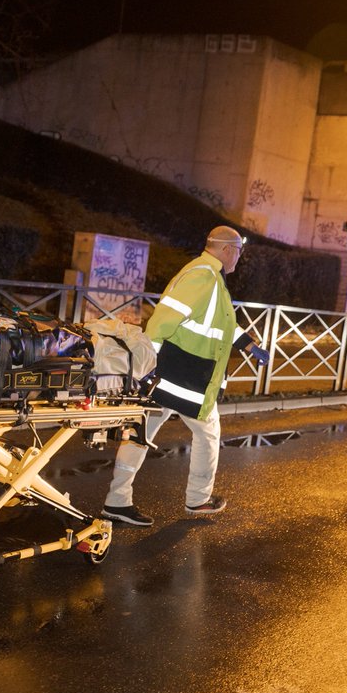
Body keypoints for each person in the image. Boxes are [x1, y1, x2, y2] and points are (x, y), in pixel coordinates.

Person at [100, 225, 269, 527]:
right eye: (239, 252)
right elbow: (163, 321)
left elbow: (217, 323)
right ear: (228, 249)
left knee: (141, 433)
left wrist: (247, 343)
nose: (239, 258)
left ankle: (117, 500)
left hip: (170, 373)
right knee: (207, 433)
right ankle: (198, 499)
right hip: (187, 376)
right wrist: (146, 363)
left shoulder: (206, 274)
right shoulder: (204, 276)